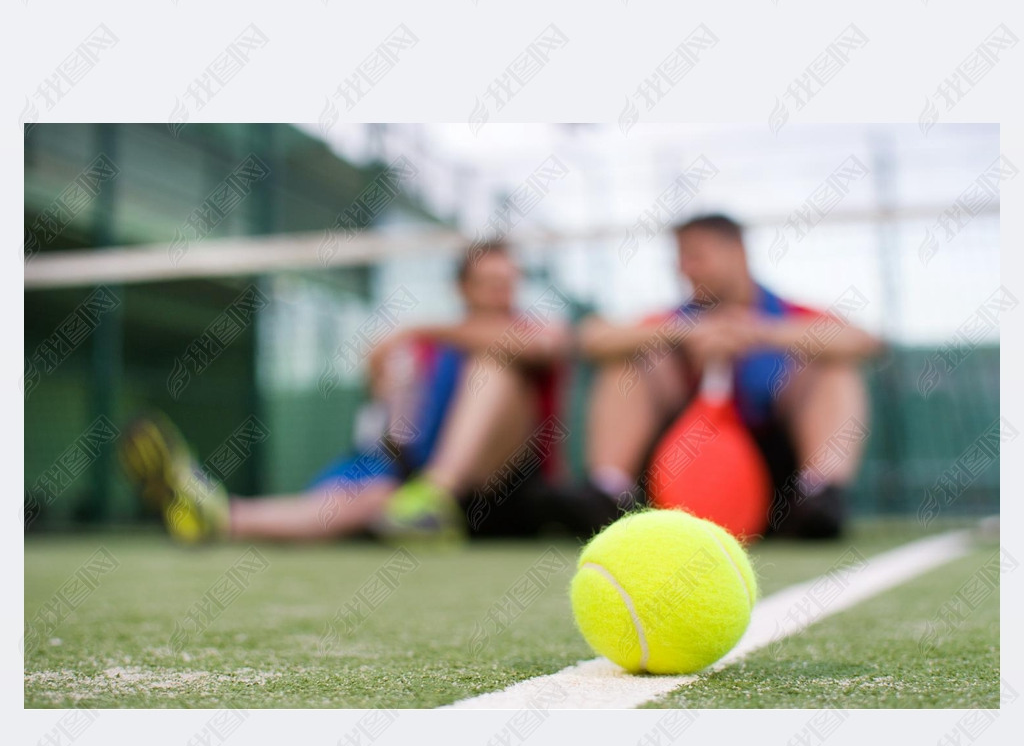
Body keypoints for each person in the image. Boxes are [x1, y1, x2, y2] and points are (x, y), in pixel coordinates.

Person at [120, 242, 605, 543]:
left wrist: (420, 328)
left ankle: (434, 497)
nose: (502, 291)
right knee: (367, 493)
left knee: (496, 363)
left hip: (508, 494)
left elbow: (539, 346)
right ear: (464, 287)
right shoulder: (427, 355)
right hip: (426, 500)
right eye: (489, 282)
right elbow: (395, 433)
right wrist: (393, 392)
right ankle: (217, 514)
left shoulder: (529, 328)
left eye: (508, 280)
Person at [579, 212, 884, 538]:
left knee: (833, 363)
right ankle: (608, 495)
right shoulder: (673, 320)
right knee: (627, 361)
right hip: (678, 467)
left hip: (777, 470)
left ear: (737, 253)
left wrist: (756, 334)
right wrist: (685, 333)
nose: (685, 269)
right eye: (681, 258)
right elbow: (593, 338)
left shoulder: (785, 315)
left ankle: (819, 496)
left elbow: (864, 341)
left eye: (695, 256)